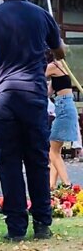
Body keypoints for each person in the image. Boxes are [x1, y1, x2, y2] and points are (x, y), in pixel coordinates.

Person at [0, 0, 65, 242]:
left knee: (9, 163)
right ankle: (42, 225)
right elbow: (59, 51)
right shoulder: (42, 16)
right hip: (34, 98)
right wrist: (52, 48)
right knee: (37, 161)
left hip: (3, 99)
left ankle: (16, 229)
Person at [46, 52, 78, 189]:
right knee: (55, 150)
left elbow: (35, 74)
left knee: (52, 151)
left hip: (64, 108)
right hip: (64, 107)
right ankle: (51, 185)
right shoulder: (59, 68)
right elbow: (47, 93)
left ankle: (66, 183)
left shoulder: (53, 66)